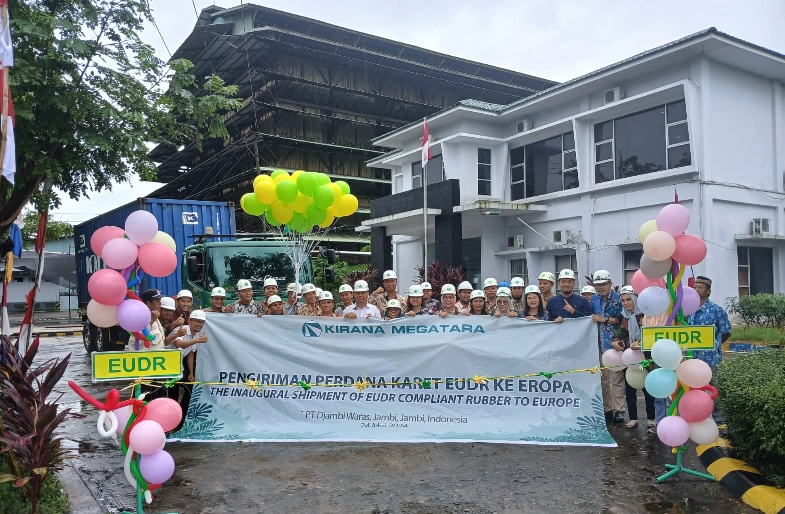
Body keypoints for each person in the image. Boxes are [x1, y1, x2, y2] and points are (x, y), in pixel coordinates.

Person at [613, 287, 655, 430]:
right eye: (623, 300)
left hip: (645, 356)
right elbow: (617, 333)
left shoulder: (645, 315)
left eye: (628, 299)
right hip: (628, 356)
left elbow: (651, 334)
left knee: (647, 386)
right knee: (629, 387)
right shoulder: (622, 316)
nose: (625, 303)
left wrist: (641, 343)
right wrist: (615, 341)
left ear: (636, 299)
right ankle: (633, 418)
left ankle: (651, 418)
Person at [590, 269, 623, 423]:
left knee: (616, 379)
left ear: (610, 283)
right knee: (603, 379)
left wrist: (605, 319)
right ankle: (607, 409)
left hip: (615, 343)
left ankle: (619, 410)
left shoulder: (619, 299)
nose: (601, 287)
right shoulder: (593, 300)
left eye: (604, 284)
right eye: (598, 285)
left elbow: (621, 319)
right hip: (598, 344)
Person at [170, 309, 208, 426]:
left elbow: (191, 353)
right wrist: (196, 340)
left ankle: (181, 415)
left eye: (201, 322)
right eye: (196, 321)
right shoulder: (181, 329)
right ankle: (171, 418)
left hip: (180, 364)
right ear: (190, 321)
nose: (199, 324)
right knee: (173, 393)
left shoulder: (196, 334)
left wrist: (191, 373)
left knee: (190, 389)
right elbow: (179, 344)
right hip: (170, 364)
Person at [686, 276, 732, 371]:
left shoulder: (716, 310)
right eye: (694, 287)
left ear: (708, 291)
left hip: (710, 359)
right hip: (691, 358)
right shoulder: (690, 309)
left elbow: (726, 332)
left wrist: (714, 342)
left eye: (700, 288)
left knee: (711, 385)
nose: (696, 290)